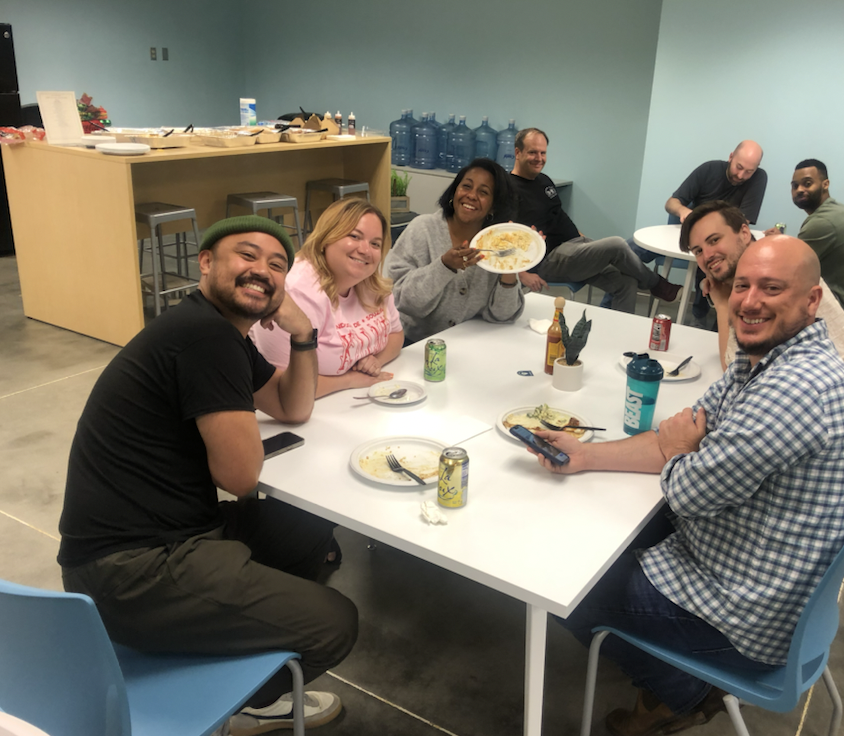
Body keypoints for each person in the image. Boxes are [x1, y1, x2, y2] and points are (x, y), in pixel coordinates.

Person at [526, 237, 844, 735]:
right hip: (743, 562)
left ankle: (683, 692)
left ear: (811, 301)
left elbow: (683, 486)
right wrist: (587, 455)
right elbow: (677, 442)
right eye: (743, 285)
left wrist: (682, 449)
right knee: (595, 538)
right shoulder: (768, 358)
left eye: (771, 288)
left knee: (557, 580)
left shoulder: (792, 391)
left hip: (744, 615)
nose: (749, 301)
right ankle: (674, 674)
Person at [57, 216, 357, 735]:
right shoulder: (205, 338)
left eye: (277, 265)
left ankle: (228, 631)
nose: (262, 271)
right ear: (205, 262)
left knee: (306, 523)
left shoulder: (215, 331)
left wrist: (303, 333)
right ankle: (246, 703)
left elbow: (292, 408)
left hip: (159, 537)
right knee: (335, 623)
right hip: (132, 569)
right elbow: (241, 478)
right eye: (246, 255)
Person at [680, 200, 844, 470]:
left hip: (838, 456)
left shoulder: (783, 278)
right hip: (837, 434)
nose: (707, 255)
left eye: (714, 240)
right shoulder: (767, 269)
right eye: (698, 251)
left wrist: (721, 302)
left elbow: (732, 368)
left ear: (743, 233)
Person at [509, 128, 681, 312]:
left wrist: (583, 240)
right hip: (549, 259)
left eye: (543, 153)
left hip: (573, 249)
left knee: (626, 282)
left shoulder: (544, 180)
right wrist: (521, 274)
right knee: (617, 244)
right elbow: (500, 237)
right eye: (533, 152)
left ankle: (618, 335)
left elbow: (558, 216)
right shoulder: (508, 188)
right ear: (517, 153)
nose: (539, 158)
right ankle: (658, 285)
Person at [252, 198, 404, 398]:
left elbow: (396, 335)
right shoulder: (297, 291)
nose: (365, 250)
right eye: (355, 236)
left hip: (346, 400)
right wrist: (350, 380)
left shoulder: (371, 282)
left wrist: (376, 360)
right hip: (293, 410)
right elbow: (282, 385)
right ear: (327, 238)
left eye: (375, 244)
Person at [387, 158, 525, 343]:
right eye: (466, 186)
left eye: (483, 192)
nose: (471, 195)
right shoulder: (422, 229)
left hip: (466, 346)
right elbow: (402, 301)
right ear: (455, 191)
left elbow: (504, 315)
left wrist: (510, 265)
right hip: (413, 345)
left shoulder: (495, 243)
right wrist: (444, 266)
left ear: (494, 205)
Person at [659, 140, 767, 325]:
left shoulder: (758, 178)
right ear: (730, 157)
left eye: (749, 171)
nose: (741, 175)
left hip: (724, 239)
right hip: (694, 235)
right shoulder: (709, 170)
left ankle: (715, 319)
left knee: (729, 264)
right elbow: (671, 203)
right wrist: (684, 211)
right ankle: (660, 287)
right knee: (631, 248)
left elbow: (743, 221)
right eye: (739, 167)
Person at [764, 159, 844, 325]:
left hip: (843, 311)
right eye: (795, 186)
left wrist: (773, 244)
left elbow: (786, 266)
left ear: (825, 184)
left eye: (807, 183)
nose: (800, 190)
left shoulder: (822, 222)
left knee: (767, 295)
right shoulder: (835, 209)